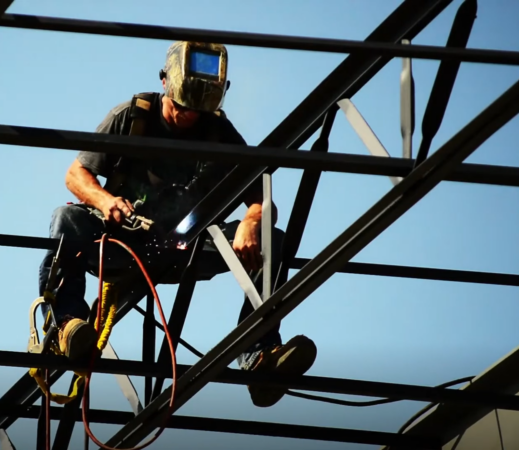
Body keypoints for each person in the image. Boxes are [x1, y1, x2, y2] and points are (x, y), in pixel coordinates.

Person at [37, 41, 317, 408]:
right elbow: (76, 174)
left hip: (184, 250)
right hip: (123, 245)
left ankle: (259, 355)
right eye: (181, 106)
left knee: (271, 240)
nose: (187, 115)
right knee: (66, 218)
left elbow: (261, 197)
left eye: (197, 110)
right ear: (165, 82)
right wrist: (106, 202)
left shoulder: (220, 134)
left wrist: (252, 220)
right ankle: (67, 327)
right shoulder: (132, 116)